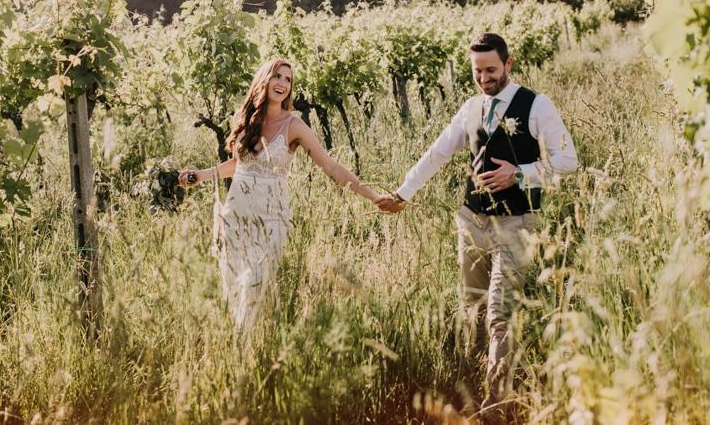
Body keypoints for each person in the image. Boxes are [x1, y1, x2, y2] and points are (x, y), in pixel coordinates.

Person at [379, 33, 578, 419]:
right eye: (477, 71)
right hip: (471, 220)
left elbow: (568, 159)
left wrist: (520, 174)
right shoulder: (471, 108)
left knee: (499, 313)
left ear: (509, 64)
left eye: (491, 69)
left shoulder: (537, 105)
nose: (484, 78)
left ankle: (495, 407)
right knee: (473, 306)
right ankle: (472, 386)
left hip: (517, 221)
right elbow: (437, 152)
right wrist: (403, 194)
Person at [179, 58, 390, 332]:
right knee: (232, 289)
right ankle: (237, 354)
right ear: (264, 79)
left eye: (288, 80)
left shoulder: (294, 125)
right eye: (278, 76)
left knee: (254, 285)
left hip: (271, 218)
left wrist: (373, 196)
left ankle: (245, 347)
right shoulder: (245, 120)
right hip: (236, 216)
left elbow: (331, 165)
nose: (282, 84)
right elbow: (238, 165)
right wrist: (201, 175)